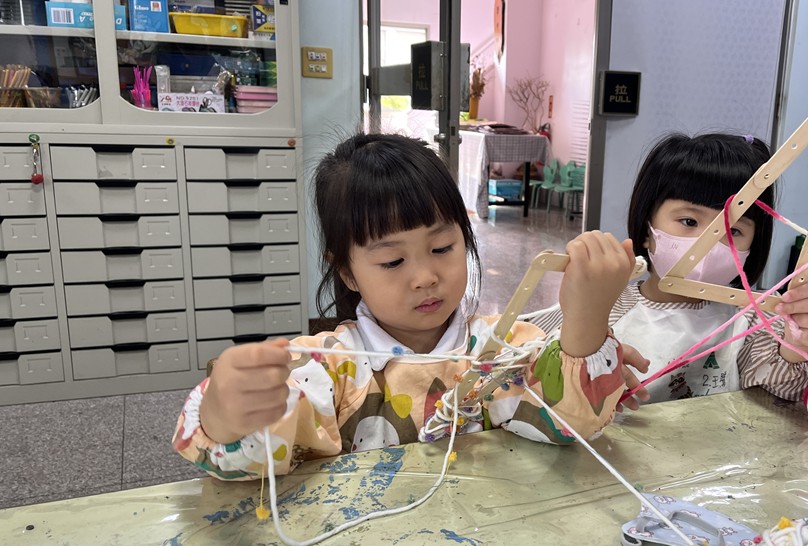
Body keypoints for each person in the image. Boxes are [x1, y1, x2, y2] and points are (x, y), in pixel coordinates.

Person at [172, 133, 636, 480]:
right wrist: (226, 414)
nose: (425, 277)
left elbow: (567, 425)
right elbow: (251, 461)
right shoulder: (329, 368)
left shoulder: (503, 348)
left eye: (442, 248)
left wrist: (587, 326)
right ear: (348, 272)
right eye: (393, 261)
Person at [532, 133, 808, 404]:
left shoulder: (754, 321)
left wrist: (800, 342)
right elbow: (535, 376)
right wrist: (587, 328)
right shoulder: (609, 307)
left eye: (734, 231)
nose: (709, 244)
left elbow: (782, 392)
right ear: (647, 229)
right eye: (689, 221)